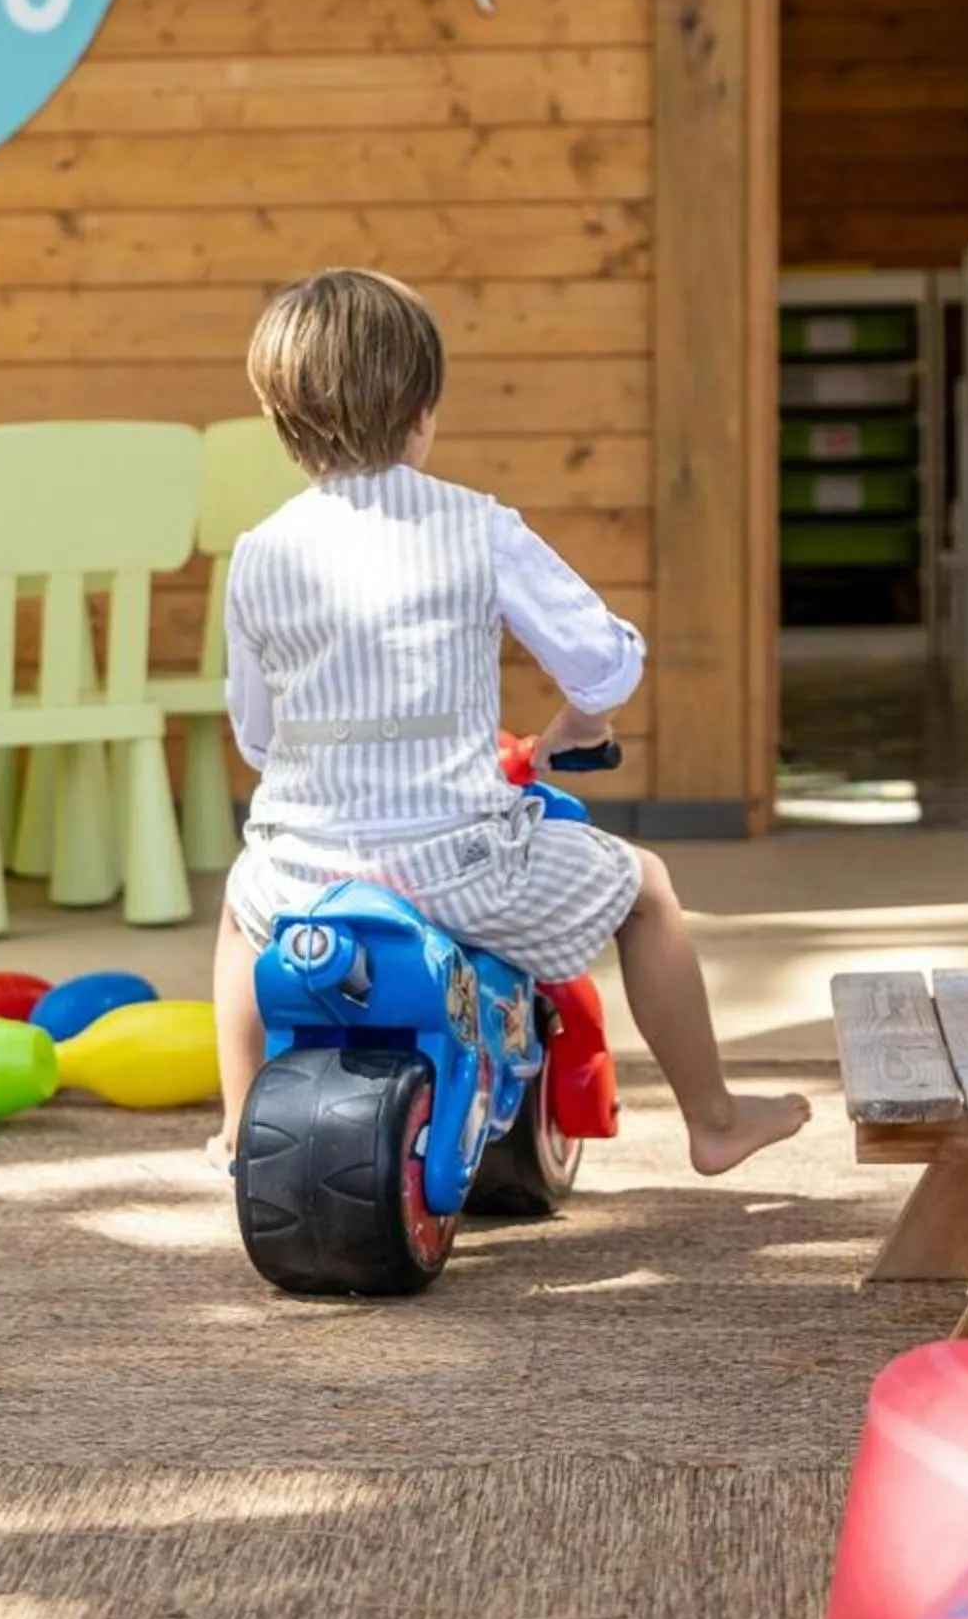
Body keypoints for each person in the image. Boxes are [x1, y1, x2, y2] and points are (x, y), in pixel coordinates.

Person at [212, 267, 811, 1177]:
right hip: (458, 867)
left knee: (236, 907)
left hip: (303, 873)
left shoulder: (258, 553)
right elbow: (603, 661)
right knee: (646, 888)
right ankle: (715, 1117)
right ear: (423, 414)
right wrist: (579, 717)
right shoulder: (474, 527)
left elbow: (257, 735)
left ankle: (233, 1126)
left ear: (280, 424)